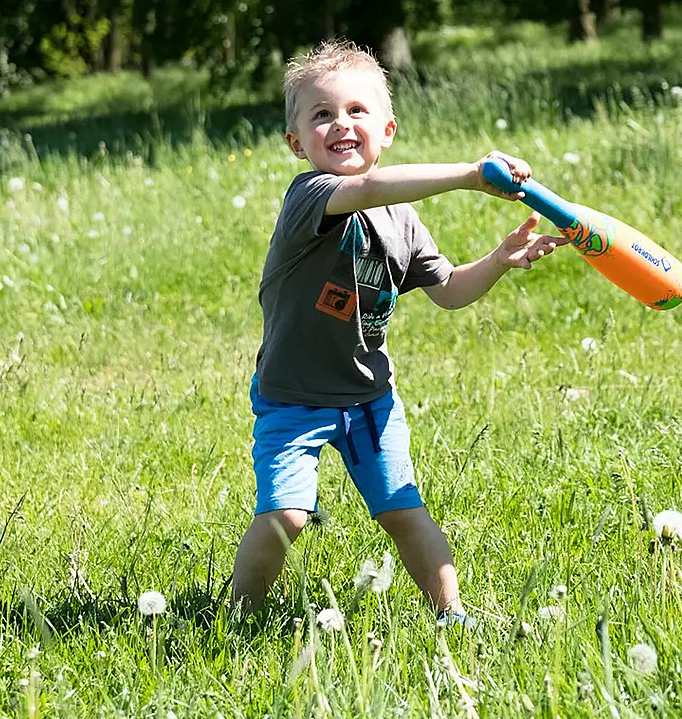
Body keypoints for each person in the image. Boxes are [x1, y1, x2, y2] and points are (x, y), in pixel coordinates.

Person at [231, 40, 567, 620]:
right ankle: (238, 617)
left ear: (387, 129)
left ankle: (451, 612)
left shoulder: (402, 220)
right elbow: (365, 189)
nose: (341, 124)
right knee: (286, 516)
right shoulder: (309, 196)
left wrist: (498, 260)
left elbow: (449, 292)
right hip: (293, 398)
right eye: (321, 115)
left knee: (402, 511)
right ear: (296, 143)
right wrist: (467, 175)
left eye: (357, 111)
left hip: (369, 398)